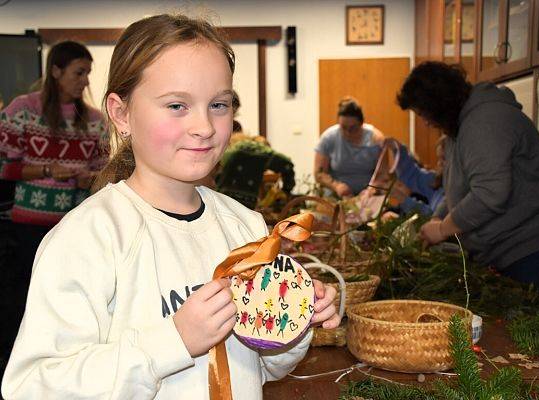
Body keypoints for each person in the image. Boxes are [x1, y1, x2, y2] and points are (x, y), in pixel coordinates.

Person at [1, 14, 340, 399]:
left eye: (218, 104)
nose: (205, 127)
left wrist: (292, 322)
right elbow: (33, 387)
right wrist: (171, 342)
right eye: (177, 105)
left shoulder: (246, 227)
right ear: (121, 113)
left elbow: (263, 367)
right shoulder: (89, 237)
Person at [397, 61, 539, 296]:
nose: (426, 123)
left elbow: (490, 193)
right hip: (508, 253)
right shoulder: (459, 126)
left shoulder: (484, 121)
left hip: (533, 251)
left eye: (423, 114)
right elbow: (456, 191)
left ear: (438, 102)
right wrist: (435, 219)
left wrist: (442, 229)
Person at [0, 41, 107, 372]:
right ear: (56, 71)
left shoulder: (93, 120)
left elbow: (104, 171)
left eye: (88, 73)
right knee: (21, 301)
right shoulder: (23, 110)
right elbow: (3, 167)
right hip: (26, 229)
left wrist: (88, 178)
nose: (86, 80)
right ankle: (14, 369)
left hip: (72, 228)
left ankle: (62, 367)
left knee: (67, 302)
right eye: (79, 72)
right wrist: (47, 170)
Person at [314, 97, 385, 198]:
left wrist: (372, 190)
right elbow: (319, 174)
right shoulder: (329, 138)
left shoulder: (376, 139)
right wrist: (336, 186)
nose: (347, 132)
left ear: (361, 124)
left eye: (353, 128)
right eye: (343, 127)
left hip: (369, 196)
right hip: (336, 195)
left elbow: (384, 174)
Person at [385, 136, 446, 216]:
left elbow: (433, 216)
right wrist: (397, 148)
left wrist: (403, 199)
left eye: (444, 158)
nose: (439, 163)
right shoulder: (437, 180)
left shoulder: (457, 192)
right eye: (439, 159)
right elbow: (412, 174)